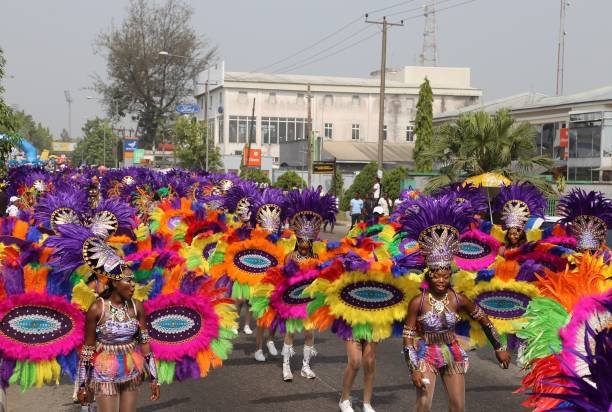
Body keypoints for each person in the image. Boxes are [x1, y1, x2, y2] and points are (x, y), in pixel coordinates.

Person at [400, 195, 511, 412]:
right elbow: (408, 337)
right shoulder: (418, 302)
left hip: (452, 351)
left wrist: (500, 347)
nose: (441, 281)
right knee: (423, 405)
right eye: (436, 276)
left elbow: (484, 320)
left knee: (458, 407)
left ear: (450, 274)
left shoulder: (458, 298)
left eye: (445, 276)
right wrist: (413, 368)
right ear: (429, 275)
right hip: (426, 353)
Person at [77, 266, 160, 412]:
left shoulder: (137, 307)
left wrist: (154, 379)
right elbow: (88, 350)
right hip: (105, 373)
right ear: (115, 282)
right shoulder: (97, 309)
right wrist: (82, 385)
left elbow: (145, 344)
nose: (133, 284)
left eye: (133, 280)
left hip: (131, 371)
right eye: (128, 280)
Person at [493, 183, 547, 257]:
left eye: (514, 234)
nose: (512, 236)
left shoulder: (528, 247)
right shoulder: (503, 248)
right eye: (510, 234)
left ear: (521, 232)